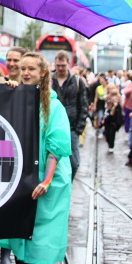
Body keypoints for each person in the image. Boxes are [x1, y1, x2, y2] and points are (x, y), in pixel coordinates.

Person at [0, 52, 72, 264]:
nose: (26, 72)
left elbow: (58, 144)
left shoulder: (53, 105)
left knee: (35, 235)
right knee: (20, 234)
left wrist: (47, 180)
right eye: (24, 68)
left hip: (44, 180)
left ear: (43, 73)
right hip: (19, 176)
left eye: (32, 69)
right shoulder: (15, 97)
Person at [52, 51, 87, 179]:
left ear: (68, 64)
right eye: (58, 65)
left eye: (63, 65)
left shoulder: (77, 81)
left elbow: (83, 105)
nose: (60, 68)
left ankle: (69, 184)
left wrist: (79, 129)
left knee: (74, 163)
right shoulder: (49, 80)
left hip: (72, 127)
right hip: (53, 126)